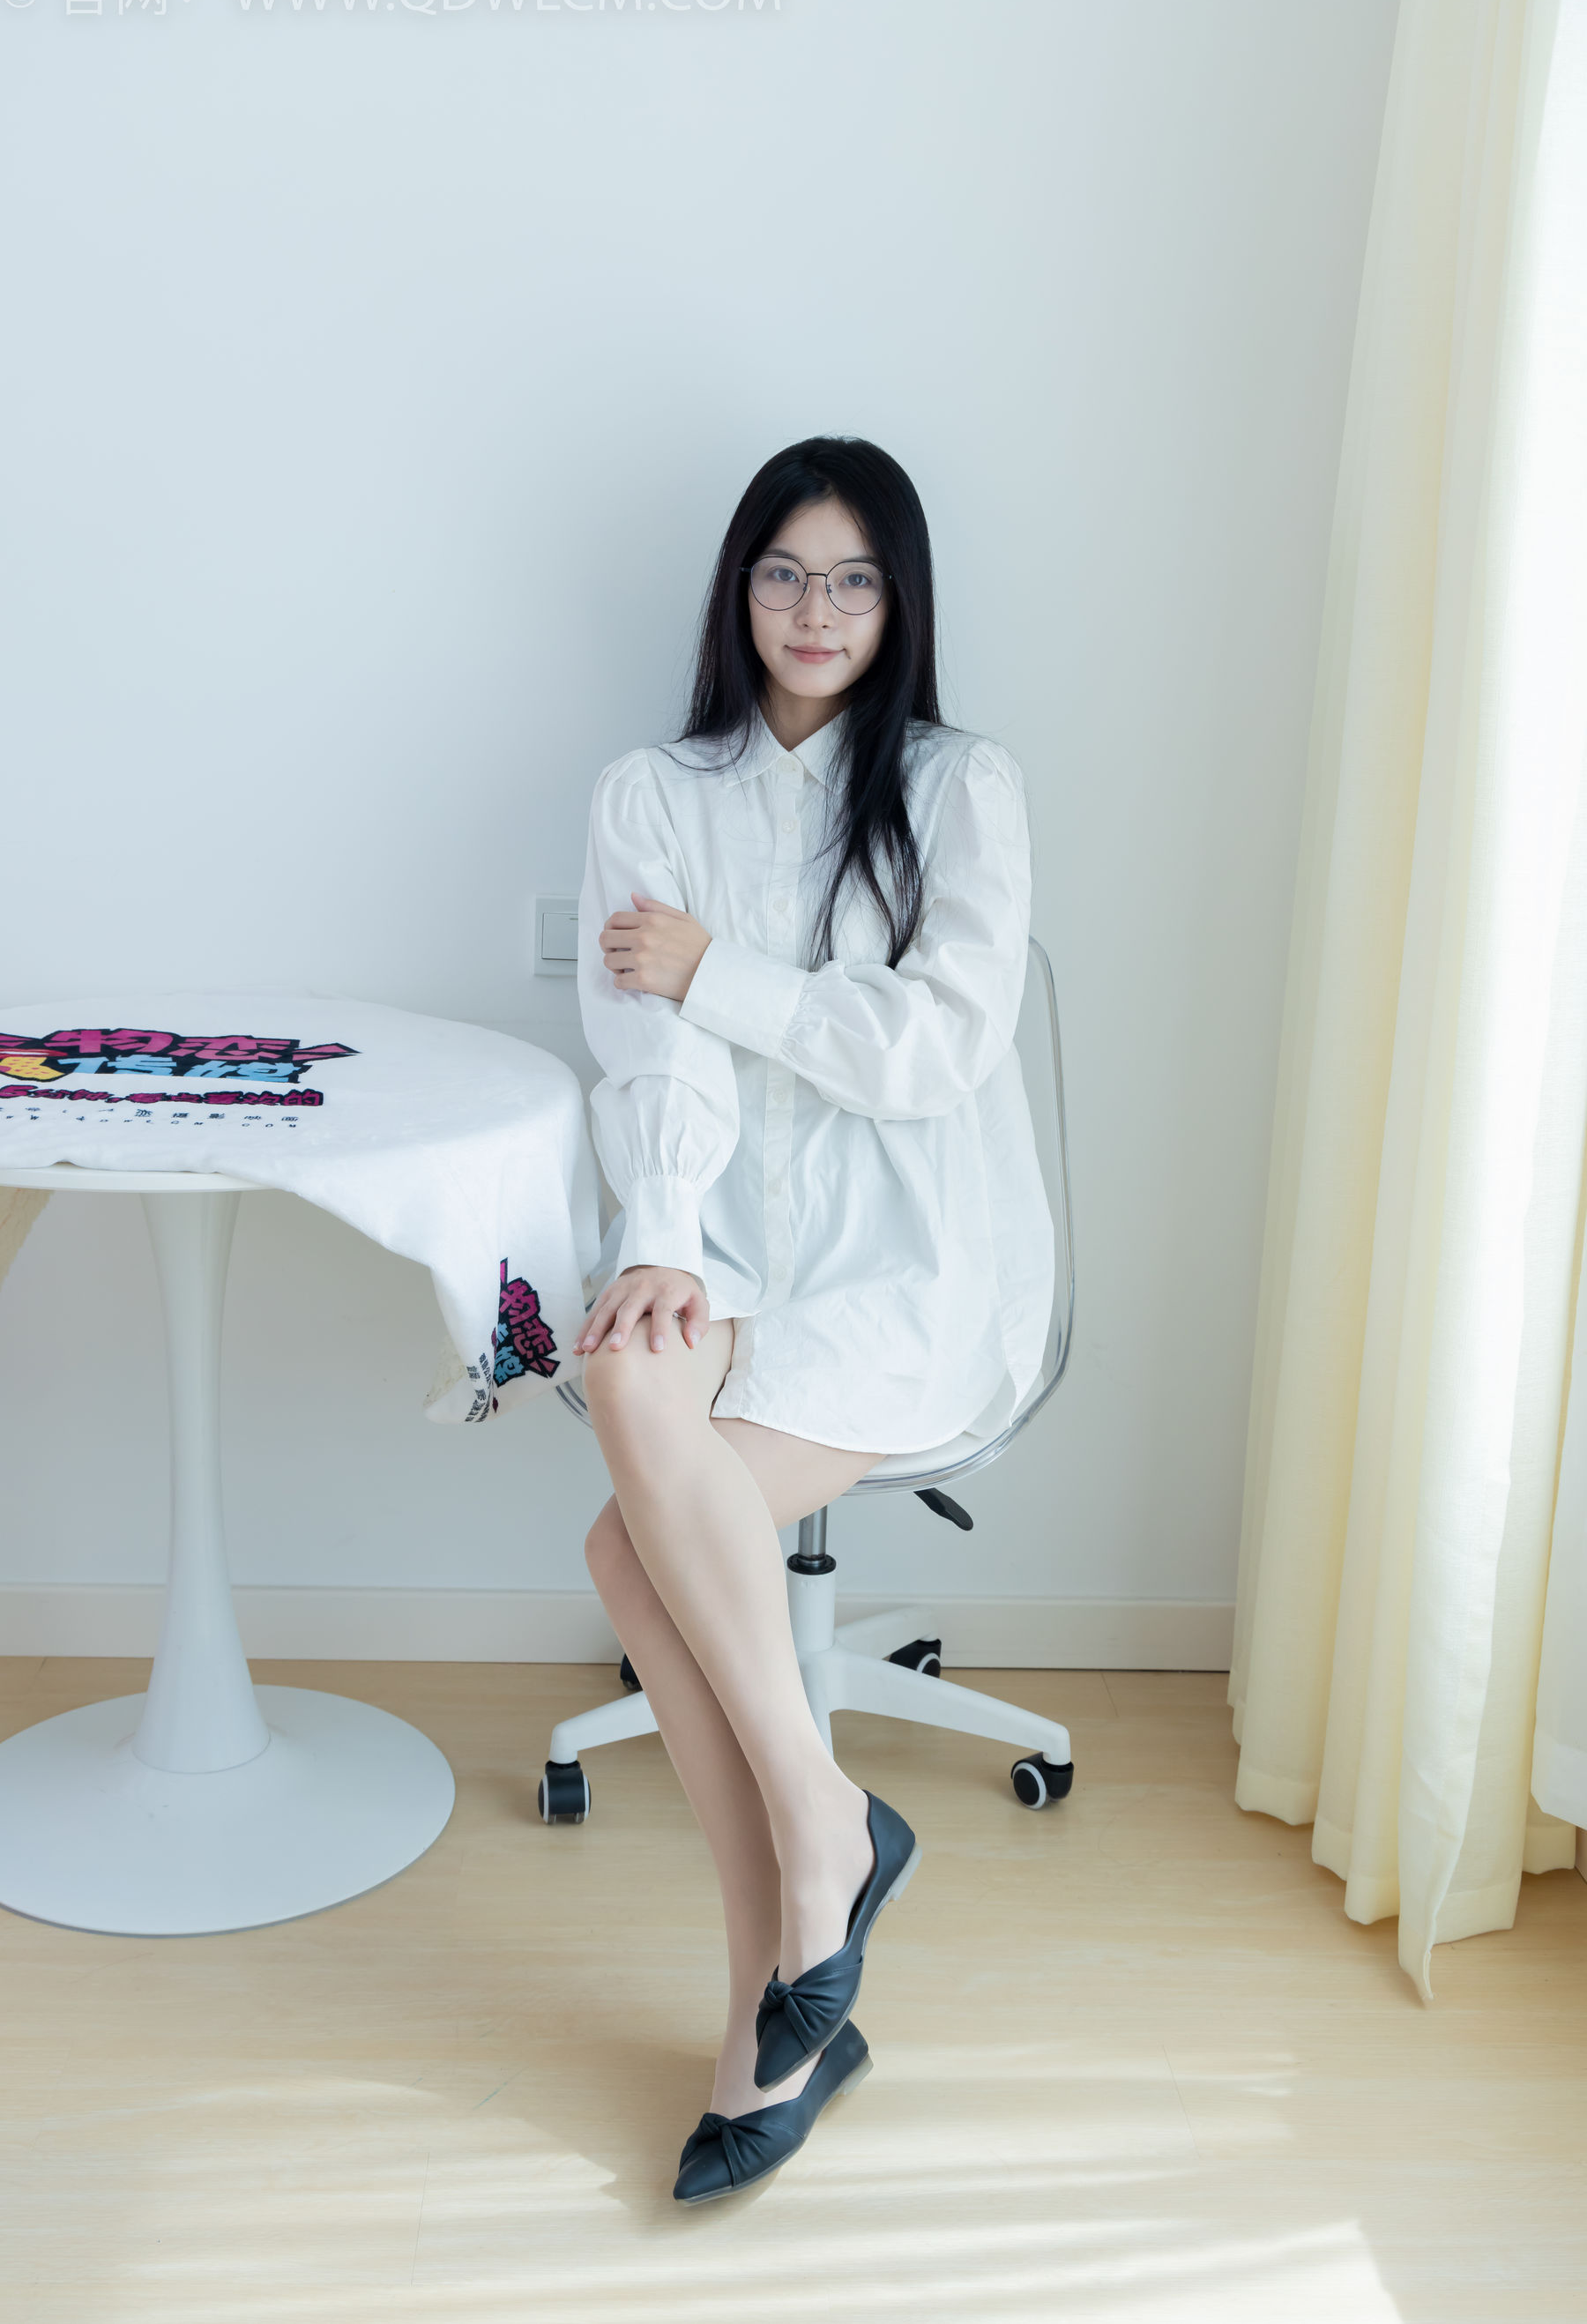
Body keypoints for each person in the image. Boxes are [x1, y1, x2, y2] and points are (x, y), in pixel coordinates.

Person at [570, 434, 1052, 2202]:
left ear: (898, 599)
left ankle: (763, 2002)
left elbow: (938, 1050)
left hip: (905, 1251)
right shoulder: (651, 790)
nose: (816, 609)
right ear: (739, 587)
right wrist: (661, 1233)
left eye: (853, 577)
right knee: (635, 1367)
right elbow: (646, 1045)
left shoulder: (960, 784)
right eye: (784, 571)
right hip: (719, 1229)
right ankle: (825, 1828)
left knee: (629, 1551)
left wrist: (723, 968)